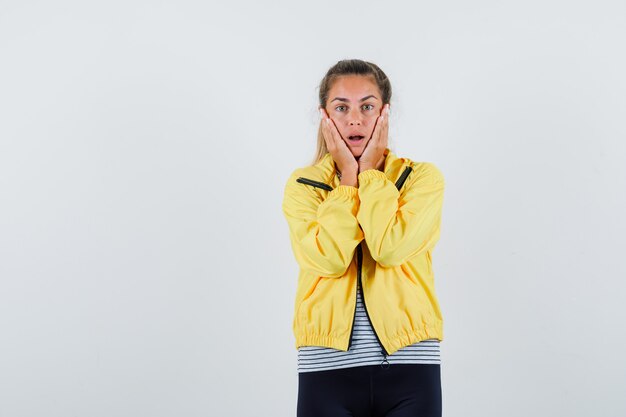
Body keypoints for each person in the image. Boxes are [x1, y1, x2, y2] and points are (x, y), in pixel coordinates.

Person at [282, 59, 446, 417]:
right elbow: (328, 259)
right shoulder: (303, 186)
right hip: (325, 368)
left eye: (367, 106)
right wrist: (347, 184)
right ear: (325, 116)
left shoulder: (421, 179)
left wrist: (370, 174)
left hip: (411, 363)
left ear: (385, 113)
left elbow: (390, 248)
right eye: (342, 108)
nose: (355, 119)